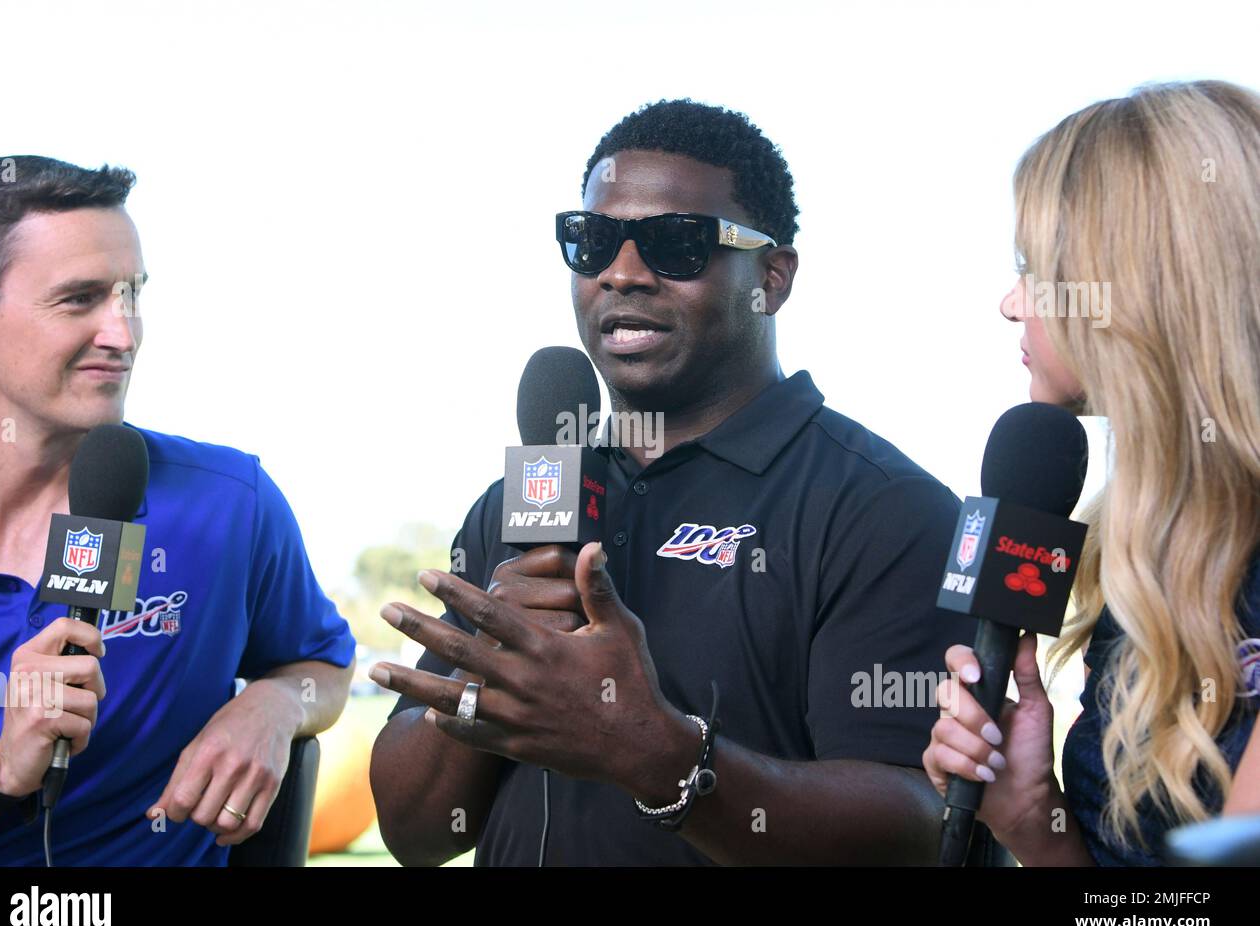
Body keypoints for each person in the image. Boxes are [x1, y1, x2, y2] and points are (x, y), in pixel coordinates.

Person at [369, 99, 975, 865]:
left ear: (773, 277)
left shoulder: (886, 509)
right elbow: (415, 835)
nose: (622, 273)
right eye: (591, 241)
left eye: (677, 244)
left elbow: (917, 830)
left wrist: (651, 752)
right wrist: (486, 668)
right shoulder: (526, 499)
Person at [0, 156, 356, 865]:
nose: (124, 334)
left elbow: (321, 667)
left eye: (130, 294)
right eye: (79, 299)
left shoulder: (230, 503)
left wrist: (273, 705)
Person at [921, 80, 1260, 865]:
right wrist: (1034, 815)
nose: (1011, 305)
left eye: (1035, 272)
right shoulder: (1142, 550)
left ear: (1139, 291)